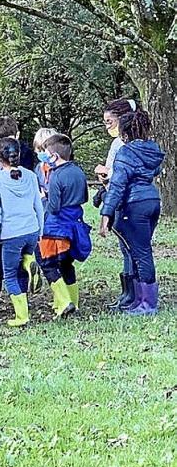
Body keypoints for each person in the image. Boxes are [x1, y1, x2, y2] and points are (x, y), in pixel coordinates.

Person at [99, 109, 164, 316]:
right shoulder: (152, 149)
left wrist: (106, 214)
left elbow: (118, 185)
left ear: (125, 132)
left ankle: (148, 304)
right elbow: (154, 171)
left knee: (140, 253)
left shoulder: (126, 152)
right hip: (152, 200)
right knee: (140, 249)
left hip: (134, 205)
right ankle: (138, 299)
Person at [0, 138, 44, 327]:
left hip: (11, 233)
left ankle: (22, 316)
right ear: (18, 155)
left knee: (10, 275)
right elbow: (38, 205)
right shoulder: (30, 176)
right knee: (25, 259)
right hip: (31, 230)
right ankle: (30, 262)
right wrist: (40, 231)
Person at [0, 116, 36, 313]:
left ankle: (11, 301)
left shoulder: (24, 155)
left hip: (9, 220)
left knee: (7, 259)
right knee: (3, 259)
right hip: (20, 220)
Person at [93, 98, 140, 310]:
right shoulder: (118, 143)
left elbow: (122, 174)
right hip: (119, 198)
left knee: (131, 248)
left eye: (109, 121)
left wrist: (107, 174)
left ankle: (134, 294)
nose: (107, 126)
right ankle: (127, 293)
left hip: (127, 201)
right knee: (125, 248)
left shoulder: (126, 144)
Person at [38, 133, 92, 317]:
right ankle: (74, 302)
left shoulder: (55, 176)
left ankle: (64, 302)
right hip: (74, 224)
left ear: (54, 156)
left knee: (48, 264)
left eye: (46, 153)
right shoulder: (78, 171)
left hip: (55, 228)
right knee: (67, 264)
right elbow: (85, 197)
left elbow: (53, 207)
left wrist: (44, 197)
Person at [33, 127, 58, 202]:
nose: (42, 153)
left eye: (44, 150)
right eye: (39, 150)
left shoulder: (59, 169)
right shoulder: (38, 168)